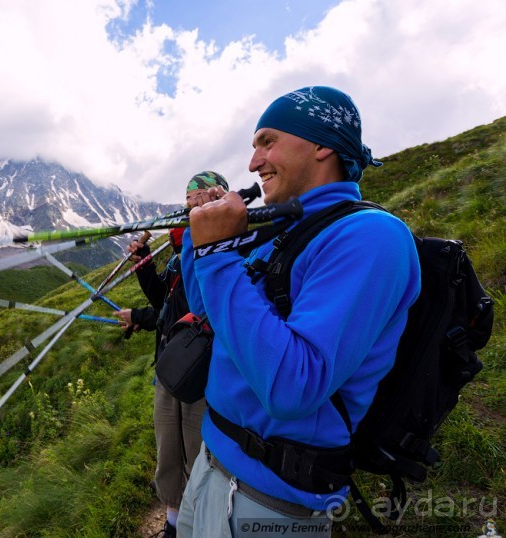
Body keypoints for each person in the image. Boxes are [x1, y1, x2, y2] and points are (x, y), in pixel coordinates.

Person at [176, 86, 421, 537]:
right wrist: (200, 241)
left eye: (267, 141)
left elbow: (293, 387)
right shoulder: (284, 230)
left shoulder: (370, 237)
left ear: (322, 143)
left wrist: (217, 256)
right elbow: (207, 312)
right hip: (212, 465)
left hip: (267, 501)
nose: (253, 163)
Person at [114, 171, 230, 538]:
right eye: (187, 202)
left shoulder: (223, 250)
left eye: (197, 201)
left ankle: (201, 524)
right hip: (170, 368)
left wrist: (200, 237)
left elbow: (195, 305)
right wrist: (146, 260)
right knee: (168, 452)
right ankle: (173, 523)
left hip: (202, 372)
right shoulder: (180, 260)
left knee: (198, 451)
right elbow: (164, 302)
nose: (189, 207)